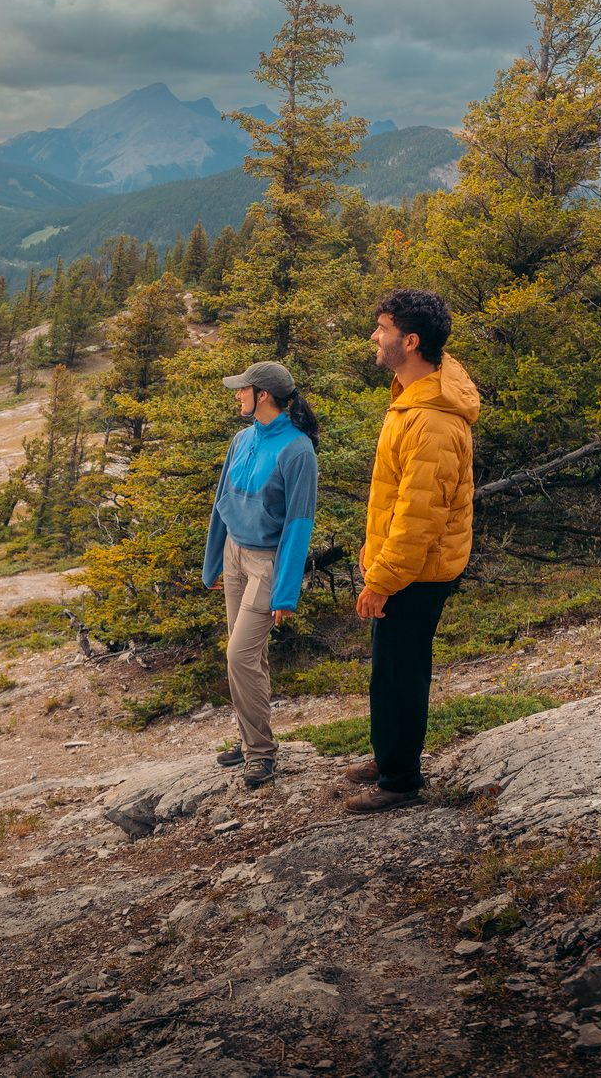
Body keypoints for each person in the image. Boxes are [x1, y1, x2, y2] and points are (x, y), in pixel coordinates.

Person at [346, 288, 478, 814]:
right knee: (389, 665)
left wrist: (382, 579)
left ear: (412, 340)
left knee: (400, 670)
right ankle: (389, 755)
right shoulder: (414, 391)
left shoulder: (434, 421)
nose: (375, 337)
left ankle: (400, 781)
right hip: (405, 566)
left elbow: (420, 517)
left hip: (417, 571)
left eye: (383, 329)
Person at [202, 361, 318, 789]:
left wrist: (286, 593)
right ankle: (251, 739)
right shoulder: (242, 439)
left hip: (267, 563)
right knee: (249, 657)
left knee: (239, 655)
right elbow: (222, 501)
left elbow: (299, 525)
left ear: (263, 395)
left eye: (242, 389)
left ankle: (262, 755)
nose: (237, 395)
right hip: (234, 554)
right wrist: (212, 563)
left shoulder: (298, 449)